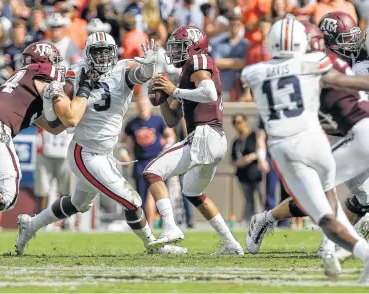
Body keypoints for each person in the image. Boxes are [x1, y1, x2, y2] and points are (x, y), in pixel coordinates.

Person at [15, 32, 187, 255]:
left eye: (107, 50)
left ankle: (31, 225)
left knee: (77, 203)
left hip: (103, 152)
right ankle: (153, 245)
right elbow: (61, 107)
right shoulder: (76, 72)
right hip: (85, 151)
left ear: (114, 52)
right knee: (132, 201)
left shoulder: (122, 69)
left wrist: (149, 66)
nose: (104, 56)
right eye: (98, 50)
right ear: (88, 53)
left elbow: (140, 75)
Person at [241, 16, 369, 281]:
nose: (352, 45)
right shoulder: (316, 63)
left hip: (350, 132)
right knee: (332, 194)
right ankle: (273, 221)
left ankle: (334, 244)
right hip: (329, 136)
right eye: (345, 40)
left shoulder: (338, 62)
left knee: (346, 197)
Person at [0, 41, 74, 257]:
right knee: (6, 195)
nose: (56, 67)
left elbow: (54, 127)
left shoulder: (23, 81)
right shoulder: (42, 72)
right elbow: (63, 108)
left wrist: (73, 118)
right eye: (53, 61)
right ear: (43, 62)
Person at [144, 25, 244, 255]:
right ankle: (230, 243)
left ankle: (169, 227)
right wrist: (162, 95)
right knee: (192, 192)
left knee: (152, 172)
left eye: (179, 47)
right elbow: (171, 120)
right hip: (215, 139)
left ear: (194, 47)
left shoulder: (198, 61)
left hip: (204, 134)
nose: (175, 52)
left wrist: (174, 90)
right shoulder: (186, 73)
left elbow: (208, 92)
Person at [122, 98, 176, 228]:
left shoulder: (158, 120)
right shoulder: (132, 123)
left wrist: (166, 149)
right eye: (140, 105)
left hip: (157, 162)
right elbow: (125, 141)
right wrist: (126, 154)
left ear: (150, 106)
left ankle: (160, 223)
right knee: (143, 196)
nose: (143, 108)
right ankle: (148, 224)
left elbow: (170, 135)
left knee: (160, 195)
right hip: (140, 162)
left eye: (145, 105)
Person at [231, 114, 263, 224]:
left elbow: (260, 151)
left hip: (257, 173)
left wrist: (250, 157)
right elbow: (233, 159)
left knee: (262, 198)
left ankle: (266, 220)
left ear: (245, 122)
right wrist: (239, 162)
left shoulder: (254, 136)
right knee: (248, 200)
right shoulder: (236, 142)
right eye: (235, 123)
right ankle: (250, 221)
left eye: (240, 122)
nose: (238, 125)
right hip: (243, 175)